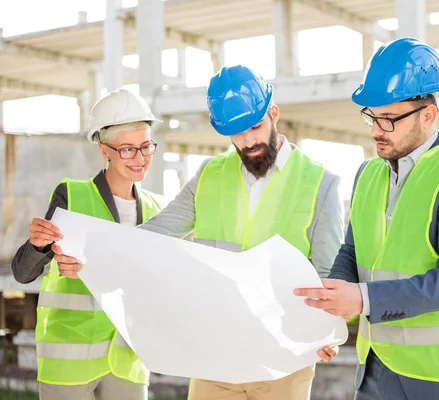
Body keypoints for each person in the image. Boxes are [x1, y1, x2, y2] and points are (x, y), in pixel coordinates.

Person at [51, 65, 345, 400]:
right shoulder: (209, 174)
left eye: (255, 127)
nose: (248, 141)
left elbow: (327, 275)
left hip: (283, 362)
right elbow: (153, 236)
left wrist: (328, 334)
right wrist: (88, 253)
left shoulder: (321, 183)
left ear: (273, 114)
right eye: (236, 133)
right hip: (215, 358)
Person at [294, 37, 439, 400]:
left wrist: (363, 301)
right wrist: (329, 316)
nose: (375, 130)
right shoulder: (367, 174)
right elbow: (352, 254)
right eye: (372, 116)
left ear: (428, 115)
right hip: (375, 373)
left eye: (388, 119)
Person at [11, 88, 164, 400]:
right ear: (104, 150)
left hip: (128, 363)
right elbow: (23, 273)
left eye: (146, 146)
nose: (140, 158)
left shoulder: (157, 210)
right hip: (69, 362)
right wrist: (39, 245)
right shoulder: (72, 195)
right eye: (127, 149)